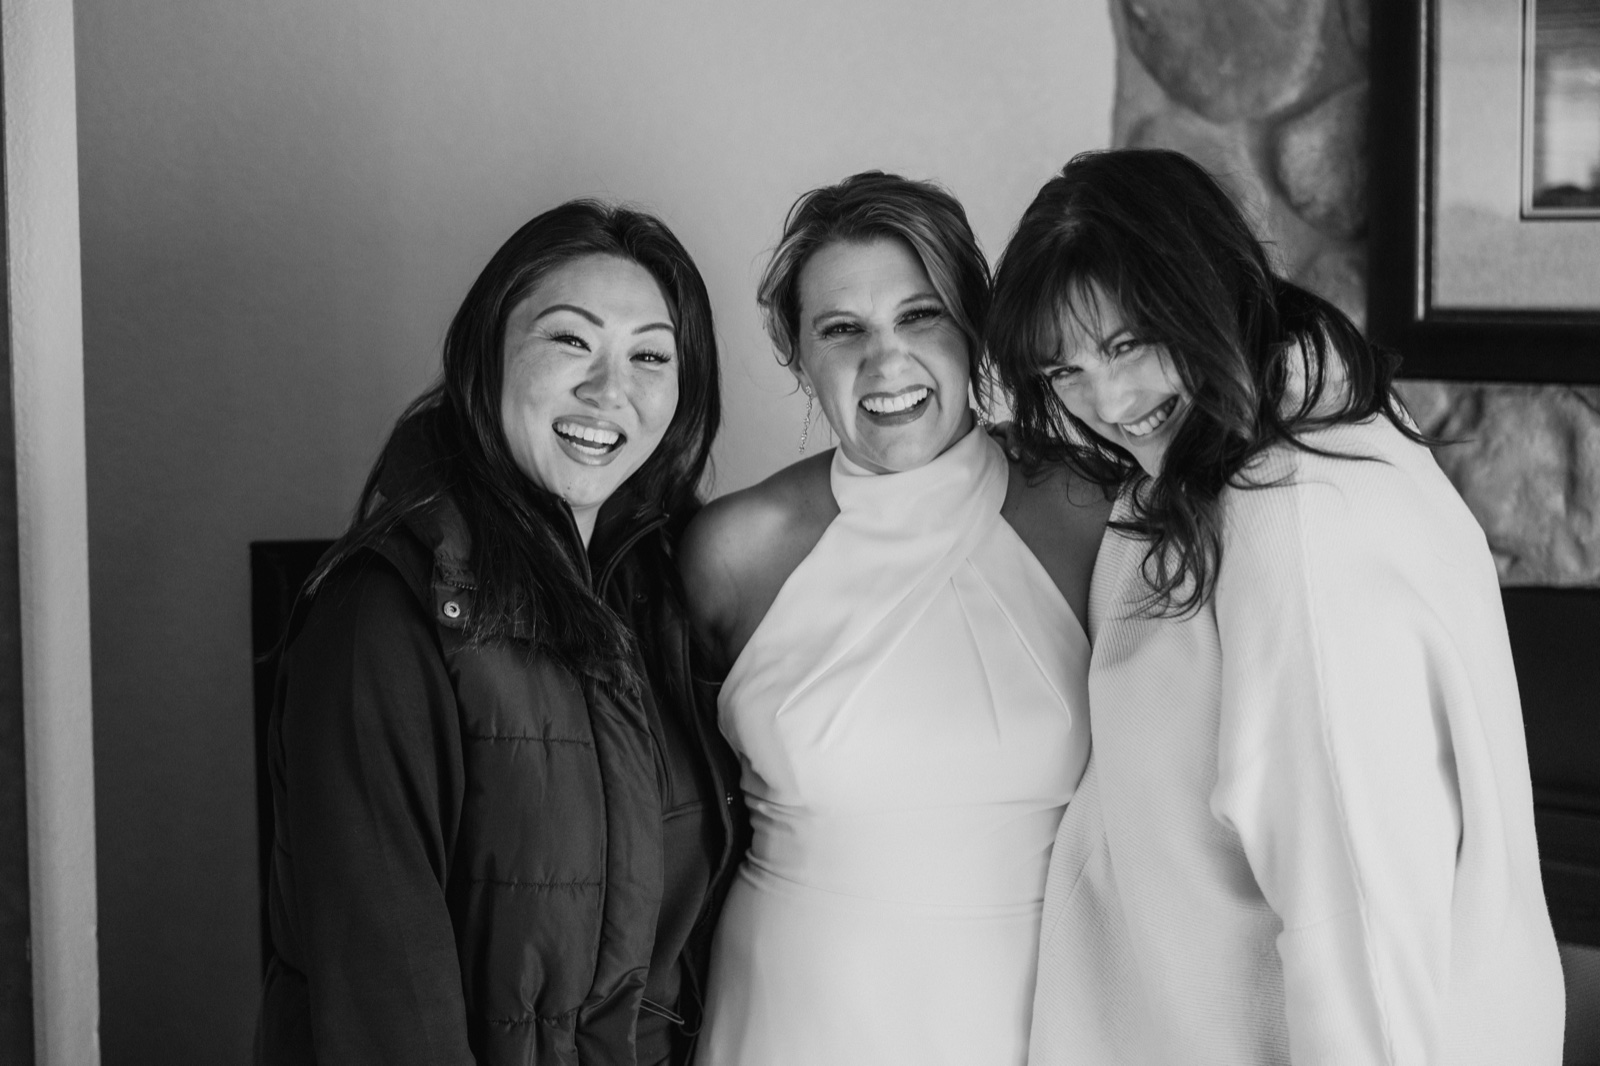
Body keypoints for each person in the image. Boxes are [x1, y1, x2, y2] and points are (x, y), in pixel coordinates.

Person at [987, 148, 1565, 1065]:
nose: (1105, 401)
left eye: (1127, 343)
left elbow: (1358, 910)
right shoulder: (1228, 469)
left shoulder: (1292, 517)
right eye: (1062, 371)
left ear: (1206, 290)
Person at [255, 201, 747, 1066]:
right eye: (569, 341)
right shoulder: (382, 615)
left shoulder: (661, 595)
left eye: (649, 355)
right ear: (487, 352)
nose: (610, 390)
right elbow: (383, 1007)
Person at [681, 172, 1110, 1066]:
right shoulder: (733, 551)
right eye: (843, 331)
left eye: (920, 317)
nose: (886, 363)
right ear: (799, 357)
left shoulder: (1088, 514)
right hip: (792, 1012)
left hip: (1030, 1012)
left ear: (974, 331)